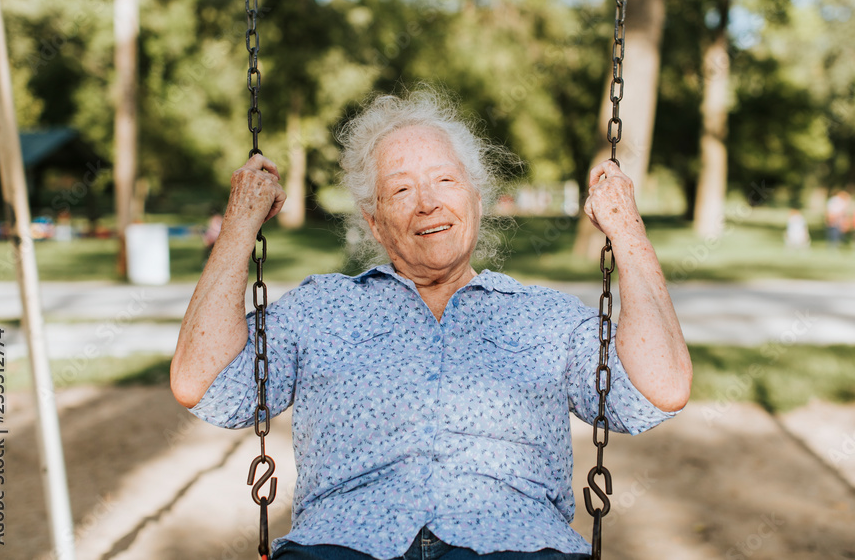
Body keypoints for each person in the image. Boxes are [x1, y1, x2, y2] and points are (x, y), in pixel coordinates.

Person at [170, 90, 692, 560]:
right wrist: (240, 223)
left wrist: (626, 230)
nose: (427, 203)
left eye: (445, 180)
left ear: (476, 198)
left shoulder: (544, 317)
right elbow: (206, 384)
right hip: (343, 543)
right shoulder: (319, 309)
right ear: (373, 222)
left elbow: (662, 388)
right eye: (400, 191)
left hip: (516, 544)